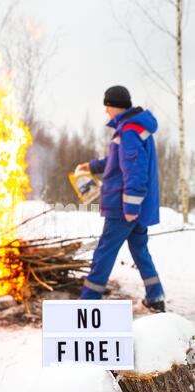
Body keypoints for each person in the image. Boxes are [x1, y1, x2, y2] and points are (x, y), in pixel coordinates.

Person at [77, 85, 165, 312]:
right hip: (132, 207)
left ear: (114, 105)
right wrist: (92, 166)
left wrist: (130, 205)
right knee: (139, 250)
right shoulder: (133, 128)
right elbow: (117, 161)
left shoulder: (128, 131)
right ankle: (155, 296)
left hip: (122, 207)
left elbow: (135, 170)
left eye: (107, 106)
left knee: (104, 251)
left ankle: (88, 302)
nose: (106, 111)